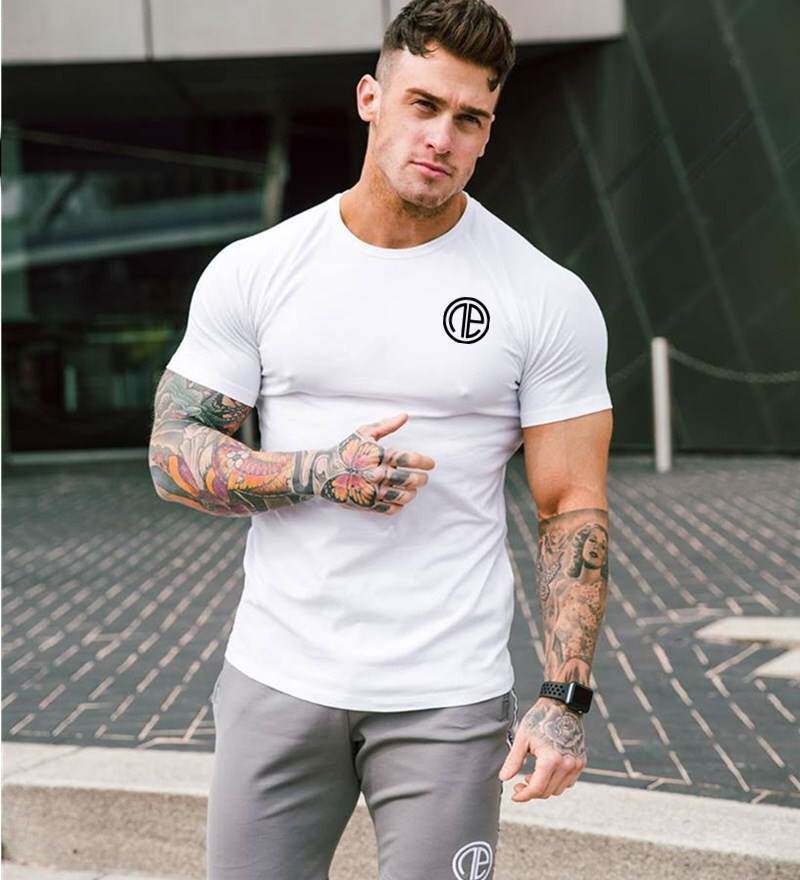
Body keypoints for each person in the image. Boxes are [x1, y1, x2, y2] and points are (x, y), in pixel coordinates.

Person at [148, 1, 613, 877]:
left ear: (488, 132)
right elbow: (173, 453)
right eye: (422, 104)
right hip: (279, 673)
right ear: (371, 98)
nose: (441, 137)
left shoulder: (545, 296)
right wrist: (318, 472)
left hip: (447, 692)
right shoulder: (257, 270)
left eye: (468, 118)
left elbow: (572, 505)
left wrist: (564, 697)